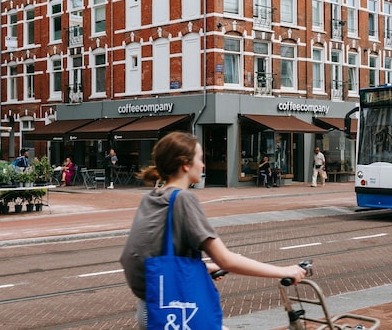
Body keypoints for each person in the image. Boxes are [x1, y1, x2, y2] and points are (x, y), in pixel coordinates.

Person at [120, 131, 306, 329]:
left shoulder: (153, 197)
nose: (203, 165)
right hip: (176, 314)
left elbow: (143, 255)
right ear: (185, 164)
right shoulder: (183, 199)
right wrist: (284, 270)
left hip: (151, 309)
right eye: (200, 159)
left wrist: (204, 268)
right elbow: (225, 259)